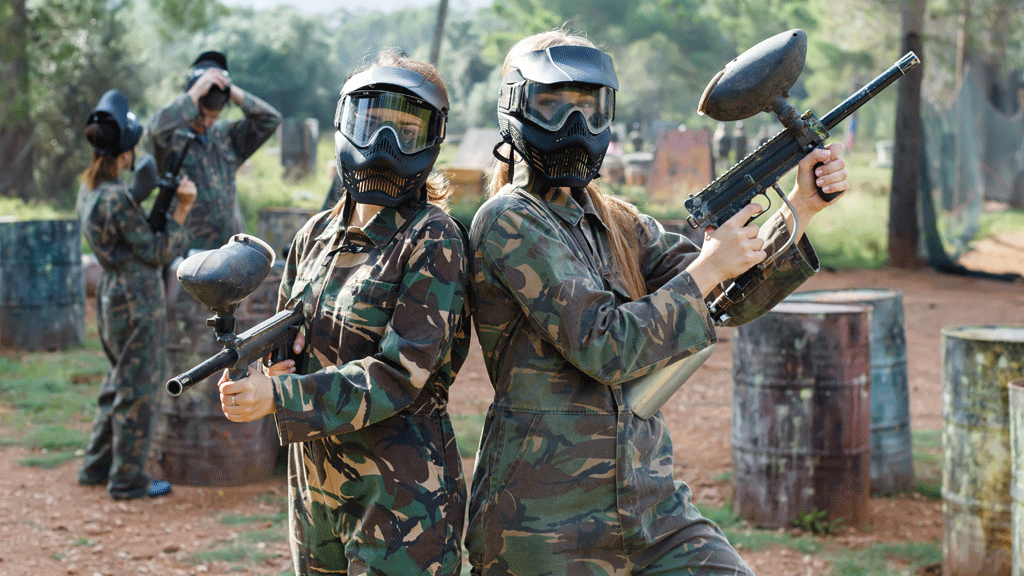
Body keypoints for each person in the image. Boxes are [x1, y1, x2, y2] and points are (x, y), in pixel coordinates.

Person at [464, 29, 849, 575]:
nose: (576, 127)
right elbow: (604, 344)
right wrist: (710, 265)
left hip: (649, 507)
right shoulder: (509, 220)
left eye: (590, 109)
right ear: (515, 109)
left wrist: (801, 207)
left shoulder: (619, 222)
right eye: (552, 106)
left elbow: (727, 299)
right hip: (544, 525)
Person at [216, 52, 470, 575]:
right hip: (314, 492)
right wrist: (268, 372)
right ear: (344, 124)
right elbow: (292, 346)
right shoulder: (314, 236)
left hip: (401, 502)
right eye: (372, 124)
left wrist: (279, 395)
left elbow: (400, 376)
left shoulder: (432, 237)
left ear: (433, 140)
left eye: (405, 130)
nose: (385, 145)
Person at [76, 89, 197, 500]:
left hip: (113, 295)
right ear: (125, 153)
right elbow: (158, 251)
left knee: (117, 382)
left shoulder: (91, 190)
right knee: (138, 389)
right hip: (137, 298)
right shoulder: (116, 198)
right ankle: (128, 479)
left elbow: (127, 232)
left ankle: (97, 465)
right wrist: (181, 209)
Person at [145, 50, 282, 253]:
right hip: (189, 250)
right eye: (203, 115)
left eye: (214, 116)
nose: (208, 122)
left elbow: (270, 119)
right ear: (194, 102)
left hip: (230, 248)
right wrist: (194, 92)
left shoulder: (227, 135)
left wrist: (230, 90)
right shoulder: (172, 138)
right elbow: (154, 130)